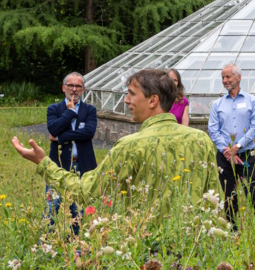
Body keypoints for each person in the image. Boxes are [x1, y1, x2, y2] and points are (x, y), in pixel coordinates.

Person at [12, 69, 216, 222]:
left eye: (131, 94)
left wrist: (43, 162)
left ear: (153, 100)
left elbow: (86, 192)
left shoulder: (131, 145)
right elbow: (216, 200)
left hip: (145, 253)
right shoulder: (202, 140)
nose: (126, 100)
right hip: (193, 253)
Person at [208, 64, 255, 225]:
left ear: (238, 78)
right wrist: (226, 151)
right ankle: (233, 228)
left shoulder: (252, 101)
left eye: (228, 77)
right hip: (224, 156)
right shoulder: (217, 104)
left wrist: (237, 146)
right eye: (223, 78)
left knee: (254, 189)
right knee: (228, 192)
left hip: (245, 154)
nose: (225, 81)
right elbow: (213, 128)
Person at [46, 72, 97, 235]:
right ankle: (46, 242)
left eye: (78, 86)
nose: (74, 89)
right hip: (58, 165)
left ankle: (77, 240)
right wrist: (70, 112)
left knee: (78, 208)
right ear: (63, 88)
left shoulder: (90, 110)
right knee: (53, 206)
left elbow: (89, 133)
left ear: (83, 90)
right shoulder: (54, 109)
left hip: (82, 165)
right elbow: (53, 128)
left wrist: (60, 136)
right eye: (70, 85)